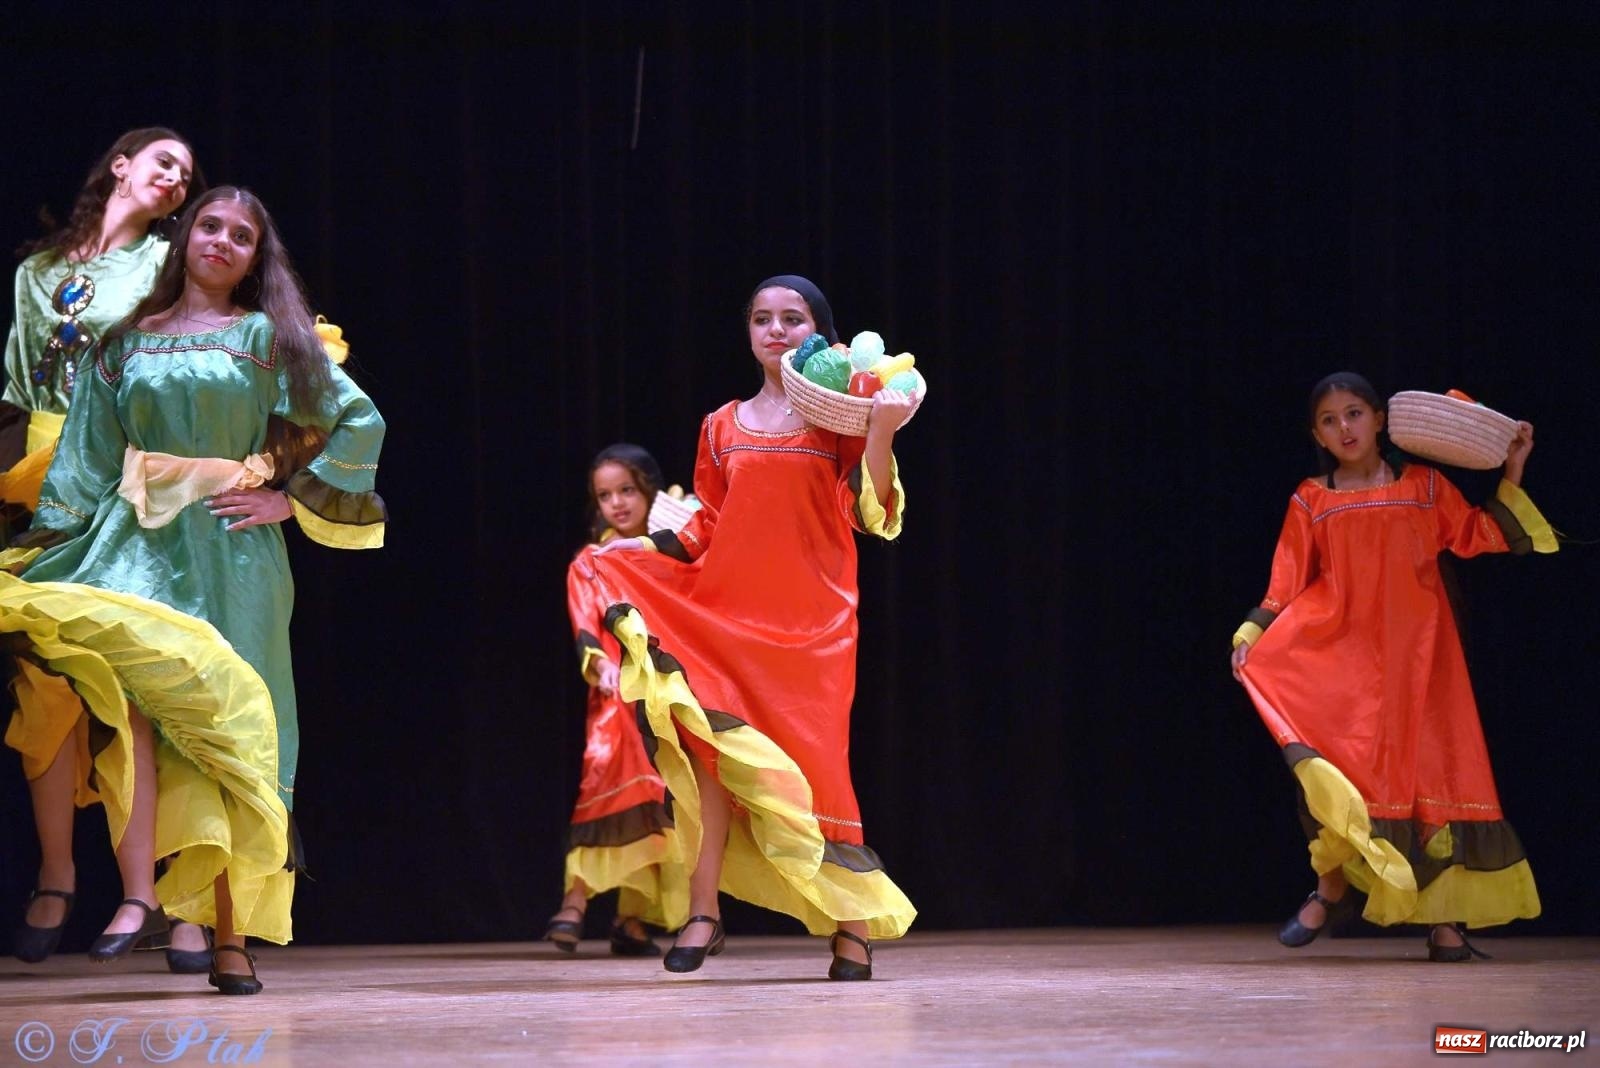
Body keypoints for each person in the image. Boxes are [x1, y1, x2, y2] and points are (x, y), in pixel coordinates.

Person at [1, 185, 387, 994]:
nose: (221, 241)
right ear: (185, 239)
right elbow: (84, 459)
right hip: (134, 546)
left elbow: (358, 419)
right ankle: (140, 895)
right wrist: (48, 544)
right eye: (210, 225)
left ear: (254, 260)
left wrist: (290, 498)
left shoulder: (264, 339)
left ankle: (229, 935)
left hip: (229, 551)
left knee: (225, 729)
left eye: (241, 236)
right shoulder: (122, 345)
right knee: (135, 709)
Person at [590, 275, 919, 979]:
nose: (776, 330)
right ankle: (702, 911)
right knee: (714, 761)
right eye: (762, 319)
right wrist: (638, 551)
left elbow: (872, 512)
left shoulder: (841, 417)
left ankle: (853, 925)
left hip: (813, 624)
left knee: (821, 767)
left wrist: (881, 432)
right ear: (748, 333)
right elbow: (707, 525)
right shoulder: (721, 425)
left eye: (792, 319)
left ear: (820, 333)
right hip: (730, 615)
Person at [1230, 373, 1554, 962]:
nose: (1344, 427)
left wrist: (1513, 468)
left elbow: (1479, 534)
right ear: (1317, 435)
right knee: (1342, 777)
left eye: (1354, 413)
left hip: (1421, 662)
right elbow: (1286, 581)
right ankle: (1329, 888)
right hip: (1344, 662)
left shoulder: (1424, 488)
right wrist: (1252, 634)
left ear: (1379, 420)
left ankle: (1446, 921)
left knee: (1436, 778)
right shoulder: (1312, 498)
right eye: (1329, 420)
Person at [1, 126, 200, 967]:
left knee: (138, 686)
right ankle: (56, 873)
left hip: (125, 479)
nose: (177, 178)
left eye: (186, 175)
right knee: (45, 685)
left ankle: (157, 893)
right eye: (164, 161)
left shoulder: (165, 266)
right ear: (121, 165)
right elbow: (17, 386)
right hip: (38, 482)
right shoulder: (39, 273)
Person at [544, 444, 682, 956]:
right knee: (606, 786)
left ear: (648, 490)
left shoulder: (669, 554)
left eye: (626, 490)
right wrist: (600, 664)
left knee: (662, 799)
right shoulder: (593, 562)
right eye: (605, 496)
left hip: (666, 692)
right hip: (616, 691)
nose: (617, 503)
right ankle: (575, 902)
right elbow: (585, 620)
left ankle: (632, 918)